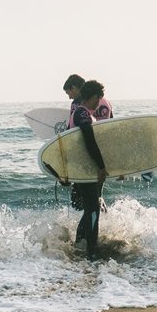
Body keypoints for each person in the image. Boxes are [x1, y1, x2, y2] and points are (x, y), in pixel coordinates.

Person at [65, 79, 110, 259]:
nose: (99, 103)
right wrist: (101, 166)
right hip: (84, 170)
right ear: (93, 97)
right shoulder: (82, 114)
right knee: (93, 209)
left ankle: (80, 245)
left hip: (82, 168)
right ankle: (91, 251)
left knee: (91, 208)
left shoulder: (81, 113)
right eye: (98, 99)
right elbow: (89, 142)